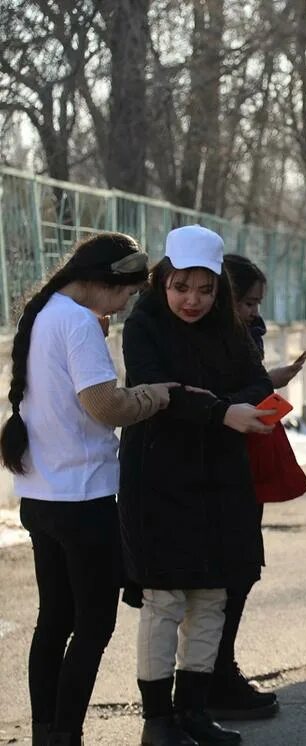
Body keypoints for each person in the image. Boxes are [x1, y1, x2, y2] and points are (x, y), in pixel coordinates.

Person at [1, 234, 176, 746]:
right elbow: (106, 406)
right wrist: (155, 396)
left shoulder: (46, 312)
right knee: (94, 624)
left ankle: (45, 733)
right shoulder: (78, 324)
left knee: (54, 619)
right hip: (84, 499)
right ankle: (66, 732)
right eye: (124, 295)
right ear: (105, 282)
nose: (124, 308)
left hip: (41, 494)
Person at [118, 225, 276, 746]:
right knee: (165, 600)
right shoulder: (142, 325)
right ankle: (156, 721)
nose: (193, 300)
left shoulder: (229, 327)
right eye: (181, 286)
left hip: (221, 478)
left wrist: (225, 406)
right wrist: (220, 409)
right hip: (160, 478)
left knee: (212, 596)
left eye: (205, 290)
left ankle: (193, 711)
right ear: (163, 279)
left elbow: (257, 381)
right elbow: (157, 391)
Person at [201, 254, 306, 721]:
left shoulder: (246, 334)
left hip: (244, 466)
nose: (253, 312)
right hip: (215, 473)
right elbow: (219, 398)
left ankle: (218, 673)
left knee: (241, 573)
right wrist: (268, 381)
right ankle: (209, 679)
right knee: (219, 581)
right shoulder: (204, 339)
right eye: (247, 302)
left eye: (257, 304)